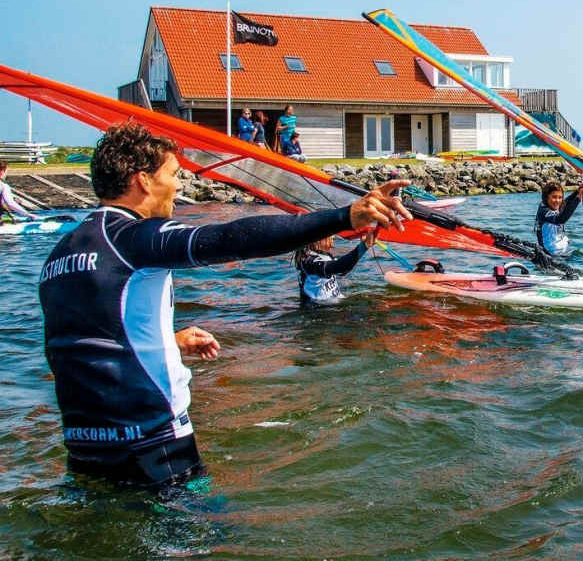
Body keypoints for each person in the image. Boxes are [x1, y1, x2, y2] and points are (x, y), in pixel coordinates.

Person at [38, 122, 411, 488]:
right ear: (142, 180)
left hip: (85, 451)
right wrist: (343, 217)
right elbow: (231, 238)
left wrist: (171, 342)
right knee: (206, 541)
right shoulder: (132, 238)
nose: (180, 185)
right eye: (173, 174)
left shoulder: (60, 256)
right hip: (153, 448)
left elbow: (85, 344)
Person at [294, 236, 366, 304]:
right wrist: (364, 246)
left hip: (332, 305)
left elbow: (342, 270)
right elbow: (341, 266)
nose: (333, 237)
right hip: (319, 310)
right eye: (329, 234)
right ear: (317, 240)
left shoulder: (323, 255)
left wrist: (363, 245)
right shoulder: (310, 262)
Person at [535, 180, 583, 257]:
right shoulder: (543, 211)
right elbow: (561, 219)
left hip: (564, 252)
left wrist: (579, 191)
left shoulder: (555, 205)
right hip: (550, 256)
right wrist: (578, 198)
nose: (557, 201)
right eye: (554, 197)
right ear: (546, 197)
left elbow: (567, 202)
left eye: (560, 197)